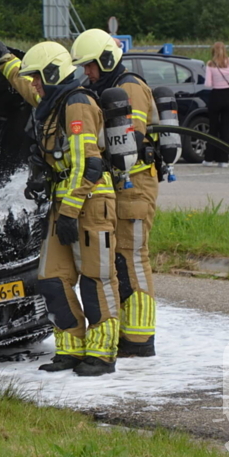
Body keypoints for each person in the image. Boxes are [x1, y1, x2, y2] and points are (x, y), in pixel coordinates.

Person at [0, 38, 120, 376]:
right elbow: (25, 86)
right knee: (51, 279)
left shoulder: (76, 104)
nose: (34, 83)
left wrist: (68, 212)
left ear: (52, 73)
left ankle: (102, 354)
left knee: (95, 281)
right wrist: (4, 59)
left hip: (90, 202)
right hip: (63, 201)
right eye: (32, 77)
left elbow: (87, 165)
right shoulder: (50, 101)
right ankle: (71, 350)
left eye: (38, 76)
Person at [70, 29, 159, 359]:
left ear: (106, 60)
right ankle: (130, 333)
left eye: (91, 66)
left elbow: (130, 141)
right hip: (120, 185)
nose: (88, 73)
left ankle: (139, 339)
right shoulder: (102, 87)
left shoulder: (129, 86)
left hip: (134, 185)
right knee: (121, 261)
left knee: (132, 258)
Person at [203, 41, 229, 168]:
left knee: (213, 128)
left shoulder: (210, 64)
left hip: (216, 96)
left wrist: (217, 82)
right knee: (225, 128)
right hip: (228, 96)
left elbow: (208, 84)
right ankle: (223, 160)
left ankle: (209, 159)